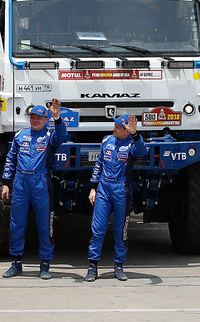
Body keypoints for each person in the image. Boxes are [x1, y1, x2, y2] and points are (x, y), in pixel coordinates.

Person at [0, 99, 67, 280]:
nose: (35, 120)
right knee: (16, 224)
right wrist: (6, 183)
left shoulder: (50, 138)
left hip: (41, 182)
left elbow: (62, 136)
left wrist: (57, 118)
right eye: (32, 117)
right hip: (20, 182)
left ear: (46, 120)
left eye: (39, 118)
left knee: (44, 224)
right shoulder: (20, 135)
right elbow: (10, 159)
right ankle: (16, 264)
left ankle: (45, 264)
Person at [85, 114, 147, 283]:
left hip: (122, 189)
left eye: (118, 128)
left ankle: (119, 265)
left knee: (121, 230)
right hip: (104, 188)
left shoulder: (132, 144)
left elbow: (143, 151)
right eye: (114, 126)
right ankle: (92, 266)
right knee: (97, 228)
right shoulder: (106, 141)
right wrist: (93, 187)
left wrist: (136, 134)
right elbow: (98, 164)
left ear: (126, 131)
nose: (114, 129)